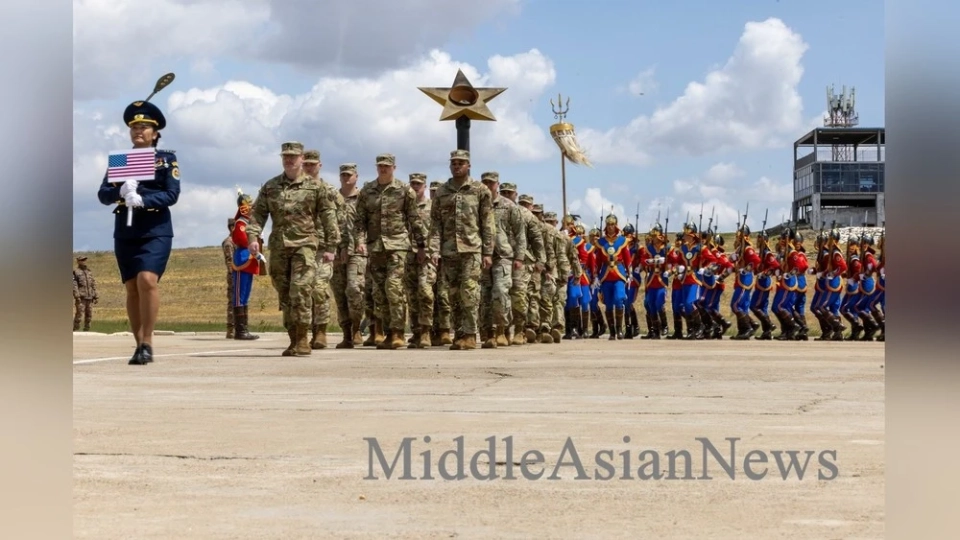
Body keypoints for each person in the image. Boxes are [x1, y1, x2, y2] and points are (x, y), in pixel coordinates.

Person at [97, 99, 181, 365]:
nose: (139, 132)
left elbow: (172, 194)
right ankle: (138, 345)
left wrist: (144, 200)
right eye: (135, 127)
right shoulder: (122, 160)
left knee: (147, 279)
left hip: (155, 228)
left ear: (155, 133)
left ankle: (148, 341)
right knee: (132, 286)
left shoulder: (165, 159)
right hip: (126, 230)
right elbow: (103, 194)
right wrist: (119, 191)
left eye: (145, 127)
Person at [245, 141, 341, 356]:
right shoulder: (271, 187)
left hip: (305, 246)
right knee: (285, 294)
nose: (289, 160)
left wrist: (331, 246)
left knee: (301, 290)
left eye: (293, 157)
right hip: (279, 247)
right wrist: (253, 236)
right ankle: (293, 339)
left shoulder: (316, 187)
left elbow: (328, 216)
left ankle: (303, 339)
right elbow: (258, 214)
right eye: (285, 156)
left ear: (301, 159)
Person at [355, 153, 428, 349]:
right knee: (379, 292)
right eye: (380, 166)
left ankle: (397, 332)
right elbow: (359, 220)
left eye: (387, 166)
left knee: (394, 288)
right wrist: (360, 241)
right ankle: (388, 332)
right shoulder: (367, 191)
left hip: (398, 246)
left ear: (394, 168)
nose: (383, 169)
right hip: (375, 246)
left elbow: (414, 220)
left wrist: (421, 246)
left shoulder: (404, 190)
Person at [429, 149, 495, 350]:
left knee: (469, 291)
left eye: (461, 163)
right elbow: (435, 224)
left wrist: (487, 252)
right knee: (454, 294)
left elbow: (487, 223)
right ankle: (459, 334)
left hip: (472, 249)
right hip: (449, 251)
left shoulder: (479, 190)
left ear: (468, 166)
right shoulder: (442, 192)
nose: (457, 166)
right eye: (454, 163)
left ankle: (470, 334)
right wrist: (434, 249)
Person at [302, 149, 345, 349]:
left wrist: (334, 246)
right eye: (306, 164)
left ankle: (321, 332)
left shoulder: (329, 190)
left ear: (320, 165)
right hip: (301, 248)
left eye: (313, 164)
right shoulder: (297, 190)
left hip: (323, 249)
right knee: (303, 290)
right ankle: (303, 331)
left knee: (319, 289)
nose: (309, 167)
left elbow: (342, 219)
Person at [478, 172, 526, 348]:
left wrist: (520, 256)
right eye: (485, 183)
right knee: (484, 296)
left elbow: (520, 233)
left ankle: (502, 330)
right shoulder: (477, 204)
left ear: (497, 184)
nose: (488, 186)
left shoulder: (508, 206)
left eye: (491, 183)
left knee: (500, 292)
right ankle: (488, 333)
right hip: (481, 256)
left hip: (503, 256)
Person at [331, 163, 366, 348]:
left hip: (357, 252)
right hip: (336, 252)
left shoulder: (363, 198)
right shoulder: (333, 198)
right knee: (339, 294)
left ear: (356, 176)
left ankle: (356, 327)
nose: (346, 178)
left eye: (349, 175)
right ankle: (346, 334)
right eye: (343, 175)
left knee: (354, 289)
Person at [229, 189, 264, 340]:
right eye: (249, 204)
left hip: (249, 259)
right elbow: (242, 240)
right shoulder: (241, 223)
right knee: (239, 295)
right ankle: (240, 330)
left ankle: (244, 328)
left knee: (245, 294)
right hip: (242, 258)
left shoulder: (249, 222)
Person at [72, 256, 99, 331]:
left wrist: (96, 296)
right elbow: (74, 285)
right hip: (81, 297)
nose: (83, 261)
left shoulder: (89, 272)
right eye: (82, 260)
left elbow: (93, 284)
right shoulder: (76, 272)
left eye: (84, 260)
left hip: (89, 297)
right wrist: (77, 296)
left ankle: (87, 330)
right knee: (79, 314)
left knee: (89, 315)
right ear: (78, 261)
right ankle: (75, 330)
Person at [222, 218, 236, 338]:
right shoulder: (229, 243)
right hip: (234, 275)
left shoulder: (238, 241)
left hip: (240, 274)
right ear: (232, 227)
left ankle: (239, 327)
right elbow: (230, 262)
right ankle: (231, 329)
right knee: (232, 302)